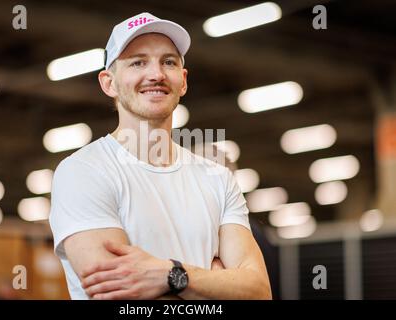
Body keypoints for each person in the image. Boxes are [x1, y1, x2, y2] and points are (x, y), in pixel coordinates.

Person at [49, 12, 271, 300]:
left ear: (183, 81)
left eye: (168, 62)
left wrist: (173, 275)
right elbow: (120, 297)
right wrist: (215, 283)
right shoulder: (83, 172)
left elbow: (259, 291)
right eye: (137, 62)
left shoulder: (218, 177)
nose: (156, 74)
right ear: (109, 83)